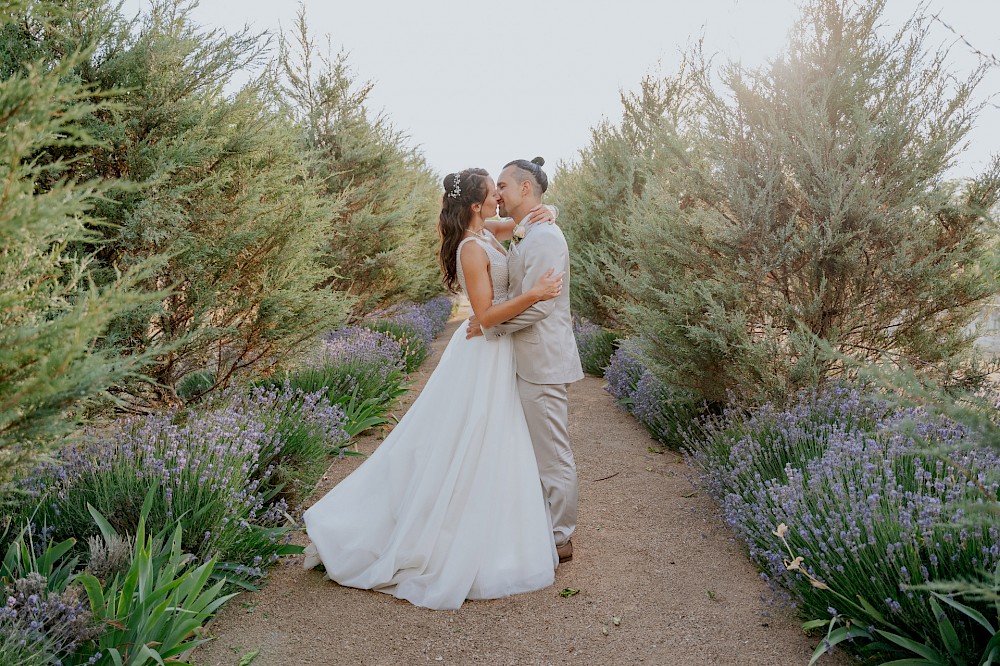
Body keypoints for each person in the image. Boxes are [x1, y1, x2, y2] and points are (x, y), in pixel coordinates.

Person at [301, 167, 563, 610]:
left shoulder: (491, 231)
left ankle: (496, 529)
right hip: (482, 353)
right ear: (476, 205)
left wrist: (548, 210)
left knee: (494, 440)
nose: (500, 198)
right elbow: (483, 316)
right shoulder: (469, 249)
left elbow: (523, 222)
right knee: (465, 438)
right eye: (491, 194)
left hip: (498, 353)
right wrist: (535, 293)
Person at [467, 157, 584, 564]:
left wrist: (490, 327)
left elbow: (540, 308)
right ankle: (543, 526)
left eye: (502, 185)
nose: (497, 192)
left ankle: (559, 539)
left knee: (553, 453)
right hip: (525, 358)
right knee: (536, 449)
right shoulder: (525, 231)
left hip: (543, 360)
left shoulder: (545, 237)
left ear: (525, 190)